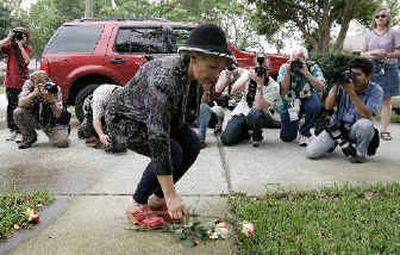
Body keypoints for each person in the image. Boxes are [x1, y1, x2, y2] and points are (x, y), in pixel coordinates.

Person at [105, 24, 232, 225]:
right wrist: (172, 194)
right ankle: (136, 205)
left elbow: (186, 119)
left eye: (220, 69)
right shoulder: (165, 79)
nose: (217, 75)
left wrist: (206, 90)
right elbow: (157, 136)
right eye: (212, 67)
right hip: (123, 120)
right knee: (171, 150)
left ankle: (156, 200)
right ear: (194, 58)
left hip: (149, 118)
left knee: (191, 142)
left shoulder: (195, 78)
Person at [306, 57, 383, 163]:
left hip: (356, 129)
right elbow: (328, 107)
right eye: (352, 74)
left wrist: (351, 92)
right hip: (337, 128)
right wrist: (336, 86)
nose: (354, 78)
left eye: (358, 75)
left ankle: (360, 154)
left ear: (369, 75)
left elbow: (367, 115)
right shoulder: (344, 82)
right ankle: (336, 142)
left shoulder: (376, 90)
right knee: (311, 153)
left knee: (365, 125)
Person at [220, 57, 280, 147]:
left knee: (256, 113)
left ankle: (257, 135)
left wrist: (260, 85)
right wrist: (247, 76)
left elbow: (259, 106)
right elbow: (233, 90)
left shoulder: (273, 85)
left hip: (261, 115)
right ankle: (245, 133)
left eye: (264, 70)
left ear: (269, 70)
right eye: (258, 69)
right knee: (226, 139)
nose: (260, 72)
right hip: (243, 112)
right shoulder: (248, 76)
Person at [361, 7, 400, 141]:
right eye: (377, 16)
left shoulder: (394, 32)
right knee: (369, 97)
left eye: (383, 16)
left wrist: (385, 54)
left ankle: (384, 130)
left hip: (389, 67)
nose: (380, 19)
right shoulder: (369, 34)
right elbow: (362, 53)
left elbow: (398, 52)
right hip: (372, 68)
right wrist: (373, 54)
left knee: (386, 99)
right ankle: (367, 127)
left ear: (387, 18)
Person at [277, 49, 325, 146]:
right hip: (291, 100)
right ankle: (295, 124)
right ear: (290, 59)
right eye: (295, 61)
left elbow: (321, 88)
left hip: (307, 97)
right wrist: (287, 72)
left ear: (305, 60)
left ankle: (305, 132)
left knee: (315, 106)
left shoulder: (312, 67)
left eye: (300, 61)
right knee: (287, 137)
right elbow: (283, 91)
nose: (297, 64)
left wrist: (306, 72)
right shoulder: (285, 68)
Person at [13, 70, 70, 149]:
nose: (41, 86)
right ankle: (29, 137)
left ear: (47, 81)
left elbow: (58, 114)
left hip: (52, 122)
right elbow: (20, 103)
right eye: (37, 83)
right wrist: (33, 94)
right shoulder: (29, 86)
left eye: (42, 83)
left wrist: (50, 100)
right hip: (34, 118)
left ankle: (60, 132)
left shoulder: (53, 88)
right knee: (18, 112)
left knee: (62, 143)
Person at [0, 27, 32, 142]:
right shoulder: (9, 47)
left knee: (21, 107)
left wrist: (20, 46)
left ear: (26, 37)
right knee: (11, 107)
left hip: (22, 83)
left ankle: (21, 131)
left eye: (22, 34)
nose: (19, 36)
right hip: (10, 82)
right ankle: (13, 130)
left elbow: (27, 61)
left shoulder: (27, 48)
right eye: (17, 34)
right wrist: (8, 38)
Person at [77, 84, 123, 151]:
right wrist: (101, 135)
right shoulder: (100, 99)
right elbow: (96, 120)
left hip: (110, 110)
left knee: (118, 145)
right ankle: (84, 128)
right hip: (94, 107)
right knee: (91, 137)